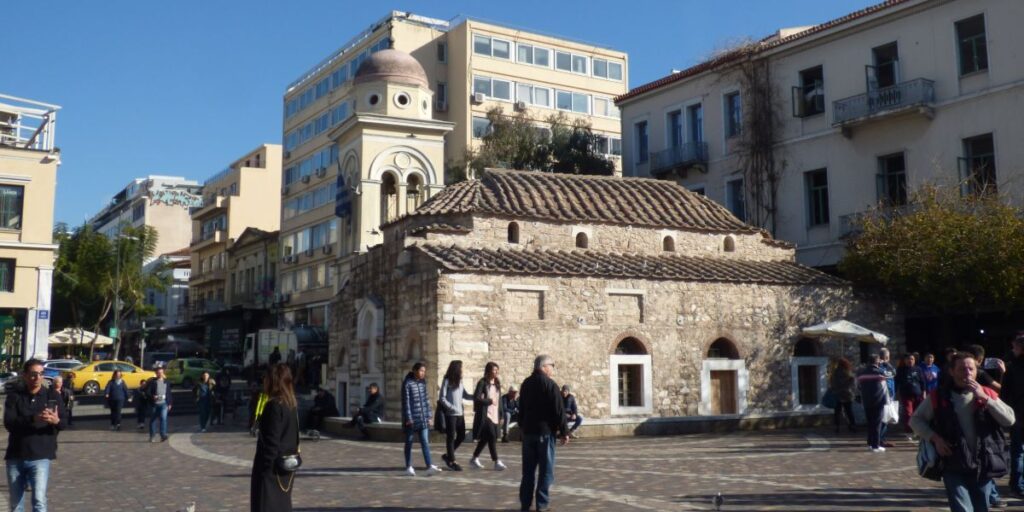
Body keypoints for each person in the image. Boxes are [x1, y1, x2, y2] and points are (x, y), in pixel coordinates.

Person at [912, 352, 1014, 512]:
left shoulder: (987, 392)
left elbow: (1009, 419)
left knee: (981, 507)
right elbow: (915, 420)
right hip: (953, 462)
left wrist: (986, 400)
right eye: (961, 369)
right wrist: (935, 439)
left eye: (971, 369)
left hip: (984, 462)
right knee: (962, 508)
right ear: (951, 371)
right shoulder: (939, 396)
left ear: (976, 370)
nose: (967, 373)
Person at [4, 358, 68, 512]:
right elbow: (9, 423)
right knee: (15, 504)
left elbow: (64, 423)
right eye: (33, 374)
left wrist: (56, 420)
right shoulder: (15, 396)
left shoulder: (51, 396)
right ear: (25, 375)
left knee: (39, 501)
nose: (37, 378)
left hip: (40, 455)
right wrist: (33, 418)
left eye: (41, 374)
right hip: (16, 455)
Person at [519, 355, 569, 512]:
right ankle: (542, 505)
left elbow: (521, 408)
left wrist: (523, 427)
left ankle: (525, 504)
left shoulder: (526, 384)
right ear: (544, 366)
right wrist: (564, 431)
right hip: (545, 433)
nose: (553, 369)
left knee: (528, 472)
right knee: (546, 471)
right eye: (552, 365)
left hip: (528, 433)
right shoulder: (550, 384)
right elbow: (558, 409)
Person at [250, 364, 299, 512]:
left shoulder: (274, 406)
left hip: (272, 471)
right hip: (287, 466)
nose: (264, 381)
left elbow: (272, 442)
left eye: (266, 378)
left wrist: (265, 471)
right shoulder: (291, 404)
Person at [401, 362, 441, 476]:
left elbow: (426, 401)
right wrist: (408, 418)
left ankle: (429, 465)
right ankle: (408, 466)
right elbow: (406, 402)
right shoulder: (407, 384)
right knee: (409, 442)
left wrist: (429, 416)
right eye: (421, 371)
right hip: (412, 419)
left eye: (424, 371)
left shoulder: (423, 383)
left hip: (423, 418)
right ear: (414, 370)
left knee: (425, 441)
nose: (423, 373)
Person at [470, 362, 506, 471]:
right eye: (494, 370)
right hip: (485, 414)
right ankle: (496, 461)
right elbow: (476, 398)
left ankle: (474, 458)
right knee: (492, 435)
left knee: (486, 438)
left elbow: (499, 401)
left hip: (495, 414)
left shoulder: (497, 383)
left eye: (497, 370)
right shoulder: (482, 383)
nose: (496, 372)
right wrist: (489, 401)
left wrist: (501, 414)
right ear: (488, 371)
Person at [439, 360, 473, 471]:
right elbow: (442, 398)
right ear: (456, 368)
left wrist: (476, 396)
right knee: (450, 437)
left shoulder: (460, 381)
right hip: (451, 415)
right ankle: (452, 461)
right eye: (461, 368)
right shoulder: (447, 380)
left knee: (461, 436)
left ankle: (448, 455)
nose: (462, 370)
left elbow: (465, 395)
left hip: (460, 415)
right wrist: (452, 407)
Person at [1001, 337, 1024, 498]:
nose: (1012, 350)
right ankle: (1017, 483)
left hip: (1017, 414)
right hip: (1018, 413)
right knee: (1018, 452)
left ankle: (1017, 483)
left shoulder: (1012, 367)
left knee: (1017, 451)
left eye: (1015, 348)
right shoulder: (1011, 366)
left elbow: (1004, 394)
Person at [857, 353, 889, 453]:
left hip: (866, 400)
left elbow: (858, 386)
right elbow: (892, 374)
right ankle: (875, 445)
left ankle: (870, 444)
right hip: (878, 400)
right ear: (877, 361)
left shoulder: (861, 372)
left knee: (870, 423)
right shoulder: (880, 372)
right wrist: (886, 363)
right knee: (877, 423)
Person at [896, 353, 926, 437]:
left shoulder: (918, 369)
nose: (910, 361)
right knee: (908, 413)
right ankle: (909, 431)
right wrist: (896, 394)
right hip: (906, 395)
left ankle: (917, 431)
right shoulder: (900, 370)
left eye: (912, 359)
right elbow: (897, 382)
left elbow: (922, 381)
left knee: (918, 414)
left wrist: (924, 392)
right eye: (908, 359)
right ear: (905, 360)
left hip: (918, 394)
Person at [146, 363, 174, 443]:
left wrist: (170, 403)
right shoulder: (152, 382)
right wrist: (153, 396)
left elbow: (169, 393)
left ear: (163, 373)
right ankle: (152, 435)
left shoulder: (167, 382)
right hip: (154, 404)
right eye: (158, 373)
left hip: (164, 403)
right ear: (156, 373)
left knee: (163, 419)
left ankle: (163, 435)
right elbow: (148, 392)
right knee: (153, 420)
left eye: (161, 372)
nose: (160, 374)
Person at [828, 357, 856, 433]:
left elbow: (832, 383)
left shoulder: (835, 373)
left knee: (837, 412)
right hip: (847, 394)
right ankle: (852, 426)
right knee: (849, 411)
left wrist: (835, 389)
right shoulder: (848, 373)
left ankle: (837, 427)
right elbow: (852, 383)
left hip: (838, 394)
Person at [878, 348, 896, 448]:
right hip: (883, 396)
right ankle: (881, 440)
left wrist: (888, 364)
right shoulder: (879, 367)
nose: (888, 360)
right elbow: (887, 375)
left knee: (886, 418)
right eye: (887, 358)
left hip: (890, 395)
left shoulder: (888, 367)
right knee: (883, 419)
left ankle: (882, 439)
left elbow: (894, 373)